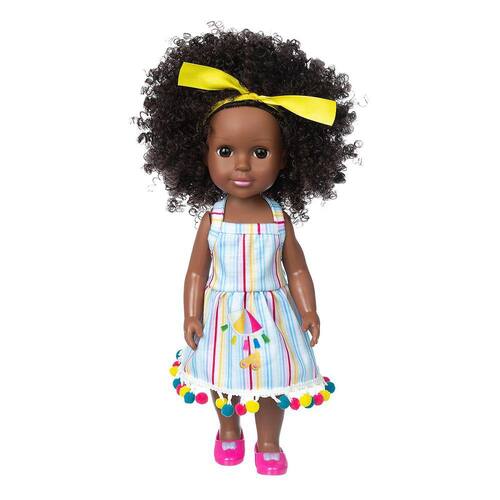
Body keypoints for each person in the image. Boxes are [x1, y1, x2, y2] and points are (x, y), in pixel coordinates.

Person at [135, 23, 359, 475]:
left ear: (285, 157)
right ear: (201, 154)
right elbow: (196, 272)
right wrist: (192, 313)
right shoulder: (212, 220)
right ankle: (229, 431)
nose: (241, 164)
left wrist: (309, 309)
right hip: (221, 313)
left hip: (273, 313)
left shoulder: (278, 219)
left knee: (274, 382)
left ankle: (269, 441)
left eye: (259, 153)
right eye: (225, 151)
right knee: (223, 379)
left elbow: (297, 270)